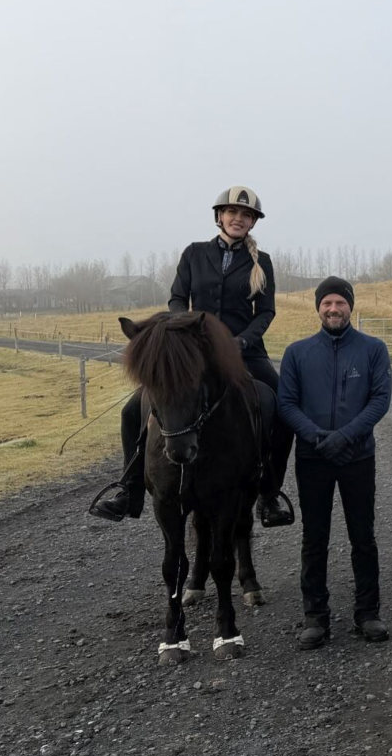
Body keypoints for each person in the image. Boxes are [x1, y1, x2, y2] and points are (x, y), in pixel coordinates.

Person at [89, 185, 295, 528]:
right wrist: (181, 335)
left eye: (246, 215)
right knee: (130, 411)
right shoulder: (194, 253)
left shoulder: (264, 263)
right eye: (232, 213)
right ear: (220, 216)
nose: (238, 219)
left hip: (244, 352)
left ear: (252, 222)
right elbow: (176, 300)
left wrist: (242, 341)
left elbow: (266, 312)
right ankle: (129, 489)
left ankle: (269, 494)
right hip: (193, 352)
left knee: (281, 408)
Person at [277, 277, 392, 649]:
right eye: (326, 303)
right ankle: (315, 617)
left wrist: (346, 436)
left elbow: (379, 400)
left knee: (364, 537)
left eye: (339, 303)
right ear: (317, 308)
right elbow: (286, 404)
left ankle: (368, 613)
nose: (333, 309)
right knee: (315, 538)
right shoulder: (297, 353)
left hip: (358, 457)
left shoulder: (373, 349)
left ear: (350, 307)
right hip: (313, 459)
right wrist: (317, 438)